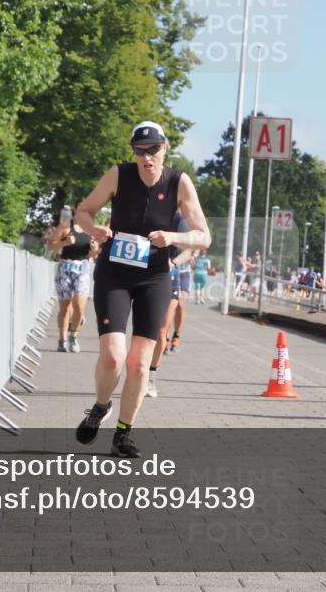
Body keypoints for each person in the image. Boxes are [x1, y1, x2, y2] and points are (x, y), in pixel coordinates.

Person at [73, 121, 210, 457]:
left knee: (139, 362)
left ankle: (123, 433)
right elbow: (83, 212)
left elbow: (203, 235)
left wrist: (174, 238)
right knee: (114, 355)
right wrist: (95, 230)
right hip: (114, 275)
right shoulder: (119, 174)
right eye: (139, 150)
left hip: (154, 276)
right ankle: (101, 405)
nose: (146, 157)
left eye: (153, 150)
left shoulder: (179, 182)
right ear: (132, 151)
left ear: (164, 148)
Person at [147, 212, 193, 398]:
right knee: (144, 330)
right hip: (142, 275)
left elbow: (188, 250)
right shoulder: (145, 211)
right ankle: (138, 371)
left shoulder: (178, 219)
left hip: (169, 276)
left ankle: (151, 375)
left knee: (160, 332)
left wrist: (172, 262)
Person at [49, 202, 98, 352]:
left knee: (79, 307)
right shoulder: (66, 226)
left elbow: (93, 254)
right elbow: (51, 246)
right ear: (76, 210)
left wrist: (95, 249)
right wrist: (65, 242)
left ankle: (73, 336)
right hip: (65, 268)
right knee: (65, 308)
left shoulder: (92, 230)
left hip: (82, 269)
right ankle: (62, 339)